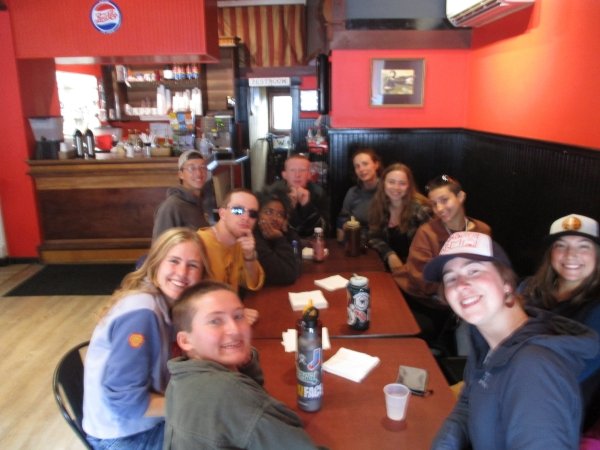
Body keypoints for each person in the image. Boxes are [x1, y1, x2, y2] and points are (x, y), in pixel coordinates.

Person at [424, 231, 598, 450]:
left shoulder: (535, 369)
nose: (460, 285)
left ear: (507, 283)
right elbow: (468, 403)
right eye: (450, 277)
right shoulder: (485, 339)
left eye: (474, 270)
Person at [83, 228, 208, 449]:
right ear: (156, 263)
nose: (182, 272)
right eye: (174, 261)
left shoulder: (169, 304)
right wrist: (192, 407)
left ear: (202, 274)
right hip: (123, 435)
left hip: (140, 423)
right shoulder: (143, 314)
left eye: (193, 265)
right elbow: (125, 402)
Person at [164, 281, 320, 449]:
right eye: (215, 321)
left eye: (239, 316)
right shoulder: (227, 393)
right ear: (185, 340)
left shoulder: (180, 377)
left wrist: (245, 364)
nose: (235, 330)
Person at [521, 213, 600, 430]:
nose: (570, 255)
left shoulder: (596, 310)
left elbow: (567, 374)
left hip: (550, 418)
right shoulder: (528, 288)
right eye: (561, 245)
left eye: (583, 246)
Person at [393, 174, 492, 300]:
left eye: (444, 200)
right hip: (421, 300)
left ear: (460, 197)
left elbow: (486, 269)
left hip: (467, 298)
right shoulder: (427, 232)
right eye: (434, 204)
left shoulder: (482, 230)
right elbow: (423, 277)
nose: (439, 209)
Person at [197, 188, 265, 294]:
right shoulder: (199, 243)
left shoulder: (239, 243)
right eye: (238, 210)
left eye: (252, 214)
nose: (246, 217)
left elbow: (253, 283)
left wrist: (249, 256)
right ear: (222, 213)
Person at [367, 163, 431, 270]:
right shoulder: (379, 205)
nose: (396, 188)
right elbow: (374, 237)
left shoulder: (421, 210)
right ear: (383, 183)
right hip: (387, 269)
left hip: (417, 270)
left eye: (402, 183)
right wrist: (389, 255)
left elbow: (429, 247)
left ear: (409, 186)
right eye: (391, 182)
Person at [152, 150, 216, 240]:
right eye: (192, 168)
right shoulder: (171, 207)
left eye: (203, 167)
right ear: (180, 174)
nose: (199, 173)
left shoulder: (205, 201)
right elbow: (160, 247)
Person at [267, 153, 329, 237]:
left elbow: (324, 230)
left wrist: (307, 205)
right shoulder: (273, 193)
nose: (297, 175)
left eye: (302, 170)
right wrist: (290, 207)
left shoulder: (318, 193)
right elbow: (270, 230)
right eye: (292, 170)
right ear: (284, 175)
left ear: (309, 175)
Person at [255, 186, 301, 286]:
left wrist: (283, 236)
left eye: (280, 215)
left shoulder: (285, 233)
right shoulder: (254, 238)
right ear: (258, 215)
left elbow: (296, 266)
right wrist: (280, 240)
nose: (275, 218)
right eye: (269, 212)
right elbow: (288, 275)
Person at [337, 147, 381, 242]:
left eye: (365, 164)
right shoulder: (352, 192)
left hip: (381, 244)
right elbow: (342, 218)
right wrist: (344, 225)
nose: (361, 169)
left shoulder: (388, 190)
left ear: (376, 165)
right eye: (357, 166)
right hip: (356, 243)